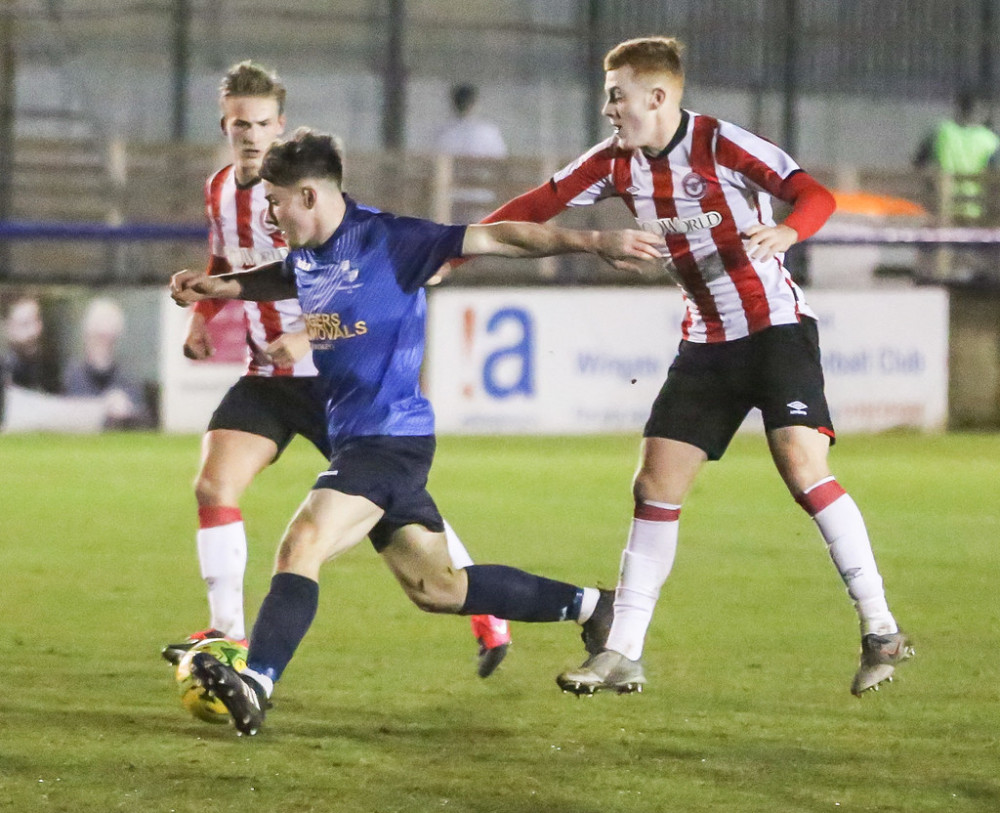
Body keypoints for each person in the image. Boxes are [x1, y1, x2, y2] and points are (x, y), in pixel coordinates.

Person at [168, 127, 663, 735]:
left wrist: (593, 240)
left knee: (303, 544)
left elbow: (499, 236)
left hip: (388, 441)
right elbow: (290, 275)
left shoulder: (392, 239)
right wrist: (228, 286)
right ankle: (595, 607)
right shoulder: (310, 248)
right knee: (439, 587)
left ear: (308, 196)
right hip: (363, 440)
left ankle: (258, 679)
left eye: (275, 201)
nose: (268, 212)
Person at [479, 36, 913, 698]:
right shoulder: (616, 164)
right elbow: (532, 209)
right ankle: (622, 649)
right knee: (654, 483)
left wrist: (789, 232)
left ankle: (880, 627)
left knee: (802, 465)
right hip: (707, 341)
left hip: (775, 328)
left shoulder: (721, 145)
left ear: (657, 98)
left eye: (616, 95)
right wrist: (459, 245)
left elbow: (814, 195)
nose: (607, 109)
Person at [161, 61, 514, 679]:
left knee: (403, 510)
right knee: (213, 486)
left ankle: (486, 612)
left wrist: (304, 333)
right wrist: (202, 315)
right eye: (240, 123)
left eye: (263, 123)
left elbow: (359, 287)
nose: (251, 134)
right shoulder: (220, 189)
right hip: (266, 379)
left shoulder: (312, 197)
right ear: (225, 125)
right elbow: (226, 255)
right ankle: (228, 633)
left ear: (281, 125)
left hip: (333, 381)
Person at [62, 297, 153, 429]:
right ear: (86, 336)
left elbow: (147, 424)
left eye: (109, 339)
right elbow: (62, 415)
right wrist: (102, 407)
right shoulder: (72, 375)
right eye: (98, 336)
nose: (102, 345)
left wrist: (128, 411)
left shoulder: (129, 379)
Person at [913, 89, 999, 221]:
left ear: (958, 109)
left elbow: (918, 162)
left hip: (942, 208)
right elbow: (994, 179)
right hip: (975, 211)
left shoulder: (941, 132)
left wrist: (930, 186)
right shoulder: (989, 140)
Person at [1, 295, 61, 395]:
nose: (34, 331)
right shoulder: (4, 371)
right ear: (9, 328)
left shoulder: (50, 368)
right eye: (25, 324)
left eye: (37, 320)